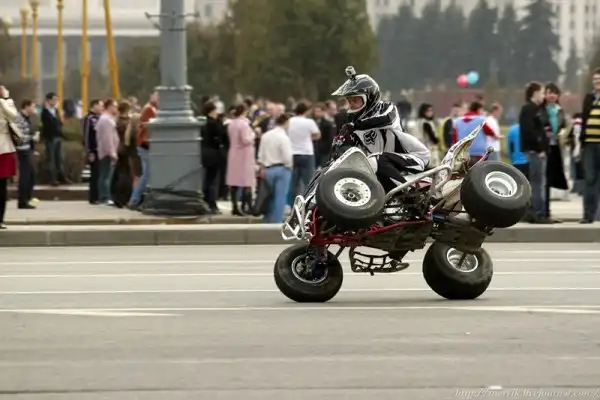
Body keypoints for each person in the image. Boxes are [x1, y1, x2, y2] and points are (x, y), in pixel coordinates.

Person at [330, 66, 429, 192]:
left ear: (369, 98)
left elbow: (387, 120)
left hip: (413, 157)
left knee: (376, 160)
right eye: (349, 101)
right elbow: (348, 152)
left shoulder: (386, 108)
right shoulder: (353, 123)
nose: (351, 105)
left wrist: (354, 126)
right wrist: (338, 145)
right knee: (364, 168)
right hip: (385, 166)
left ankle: (408, 192)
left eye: (355, 100)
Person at [519, 82, 549, 224]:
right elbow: (529, 131)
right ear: (535, 93)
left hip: (537, 151)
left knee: (537, 182)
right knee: (538, 183)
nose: (544, 96)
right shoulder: (529, 109)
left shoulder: (536, 109)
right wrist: (539, 148)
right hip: (535, 152)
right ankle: (537, 213)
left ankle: (537, 212)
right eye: (542, 93)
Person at [257, 113, 293, 223]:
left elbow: (261, 154)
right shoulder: (284, 138)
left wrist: (262, 167)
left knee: (269, 196)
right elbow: (287, 157)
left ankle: (267, 219)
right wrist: (289, 166)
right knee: (280, 197)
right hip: (282, 169)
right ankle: (277, 221)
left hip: (267, 169)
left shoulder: (265, 136)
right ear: (286, 122)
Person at [579, 67, 600, 224]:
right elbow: (584, 119)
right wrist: (582, 142)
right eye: (595, 80)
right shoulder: (589, 98)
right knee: (589, 179)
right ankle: (588, 215)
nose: (597, 82)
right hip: (589, 145)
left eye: (599, 80)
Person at [0, 85, 21, 229]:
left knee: (2, 187)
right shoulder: (3, 103)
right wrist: (6, 99)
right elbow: (14, 117)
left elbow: (14, 118)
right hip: (3, 149)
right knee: (2, 187)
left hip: (4, 149)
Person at [15, 100, 38, 209]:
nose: (34, 109)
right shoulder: (19, 118)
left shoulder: (27, 118)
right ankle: (22, 201)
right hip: (22, 150)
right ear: (26, 106)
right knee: (25, 176)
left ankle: (27, 198)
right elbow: (18, 137)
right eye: (33, 106)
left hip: (28, 149)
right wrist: (32, 138)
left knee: (31, 175)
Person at [82, 99, 103, 204]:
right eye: (100, 105)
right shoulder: (89, 118)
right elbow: (86, 135)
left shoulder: (99, 118)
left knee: (98, 173)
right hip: (93, 150)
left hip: (100, 149)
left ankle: (98, 195)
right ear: (94, 105)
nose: (102, 108)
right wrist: (89, 151)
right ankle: (93, 197)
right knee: (95, 173)